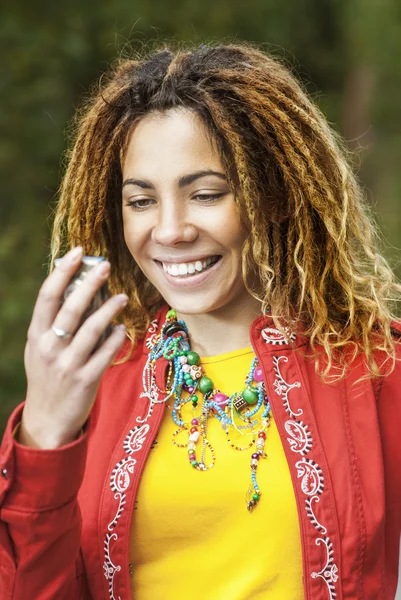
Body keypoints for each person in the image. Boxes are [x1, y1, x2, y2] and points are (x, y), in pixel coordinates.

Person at [0, 42, 400, 600]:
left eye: (206, 194)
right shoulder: (96, 384)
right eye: (140, 201)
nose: (170, 230)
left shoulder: (375, 370)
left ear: (276, 193)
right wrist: (44, 433)